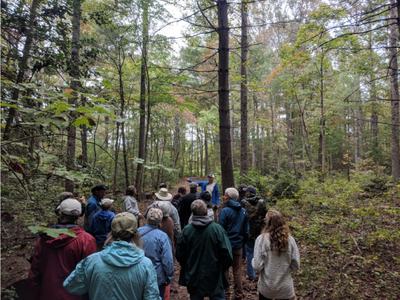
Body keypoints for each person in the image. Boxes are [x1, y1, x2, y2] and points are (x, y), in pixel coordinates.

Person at [64, 212, 160, 300]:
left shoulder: (92, 261)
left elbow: (71, 285)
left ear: (111, 233)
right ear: (136, 235)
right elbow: (152, 297)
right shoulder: (146, 265)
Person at [29, 198, 96, 300]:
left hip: (47, 294)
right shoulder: (86, 240)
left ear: (60, 213)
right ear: (78, 216)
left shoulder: (43, 239)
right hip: (74, 296)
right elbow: (90, 275)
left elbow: (35, 272)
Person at [177, 200, 233, 300]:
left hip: (194, 276)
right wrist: (221, 268)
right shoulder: (217, 229)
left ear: (192, 213)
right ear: (206, 211)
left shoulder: (186, 231)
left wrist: (188, 267)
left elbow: (180, 254)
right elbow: (227, 254)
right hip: (215, 276)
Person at [252, 209, 300, 300]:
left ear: (267, 223)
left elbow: (257, 266)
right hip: (285, 288)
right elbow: (296, 265)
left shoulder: (261, 239)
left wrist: (253, 261)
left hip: (267, 287)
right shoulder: (290, 240)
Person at [219, 188, 249, 300]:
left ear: (229, 197)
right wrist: (243, 244)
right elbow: (246, 231)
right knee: (237, 271)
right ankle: (239, 294)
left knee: (225, 269)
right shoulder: (243, 211)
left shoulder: (225, 211)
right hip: (238, 246)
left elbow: (220, 230)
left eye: (225, 195)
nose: (224, 197)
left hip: (226, 246)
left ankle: (227, 294)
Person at [138, 208, 174, 300]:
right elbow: (168, 260)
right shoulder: (162, 237)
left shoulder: (136, 232)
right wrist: (169, 277)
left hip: (138, 274)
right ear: (160, 221)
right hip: (156, 277)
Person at [241, 186, 267, 281]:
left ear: (248, 192)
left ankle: (251, 274)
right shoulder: (262, 202)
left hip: (249, 230)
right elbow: (265, 215)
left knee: (250, 252)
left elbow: (242, 217)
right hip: (260, 230)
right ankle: (262, 272)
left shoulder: (243, 202)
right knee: (262, 251)